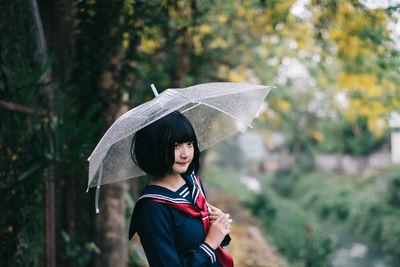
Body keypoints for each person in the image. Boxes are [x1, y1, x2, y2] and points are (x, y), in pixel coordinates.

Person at [129, 111, 234, 267]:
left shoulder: (191, 181)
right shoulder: (152, 208)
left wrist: (217, 225)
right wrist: (209, 244)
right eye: (176, 145)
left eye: (189, 143)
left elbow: (197, 239)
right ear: (154, 148)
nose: (186, 154)